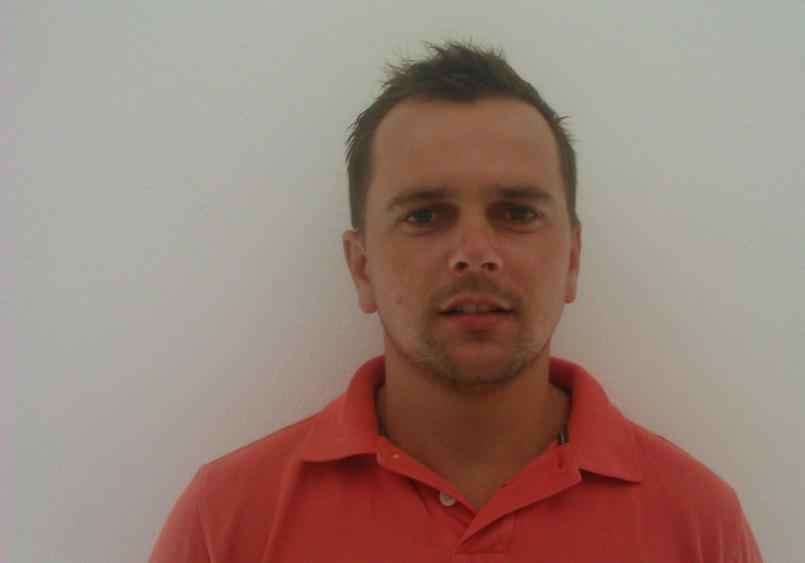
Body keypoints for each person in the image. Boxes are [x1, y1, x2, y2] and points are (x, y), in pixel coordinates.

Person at [151, 41, 763, 562]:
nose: (474, 253)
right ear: (361, 267)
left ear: (573, 260)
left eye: (516, 212)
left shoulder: (698, 524)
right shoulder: (228, 520)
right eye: (425, 215)